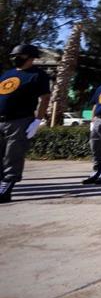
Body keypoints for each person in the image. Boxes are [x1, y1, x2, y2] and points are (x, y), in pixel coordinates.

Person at [0, 45, 50, 204]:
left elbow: (44, 98)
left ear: (30, 57)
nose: (15, 58)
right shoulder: (7, 74)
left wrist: (37, 120)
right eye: (13, 55)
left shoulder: (38, 75)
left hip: (20, 120)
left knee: (12, 155)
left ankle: (6, 187)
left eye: (19, 55)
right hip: (1, 119)